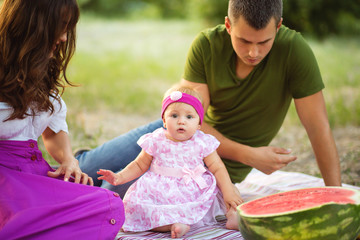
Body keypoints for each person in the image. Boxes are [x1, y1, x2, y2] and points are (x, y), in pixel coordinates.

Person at [76, 0, 341, 198]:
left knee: (108, 193)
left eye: (264, 42)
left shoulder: (294, 51)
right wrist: (251, 156)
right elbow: (193, 123)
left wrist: (337, 198)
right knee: (81, 170)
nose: (253, 52)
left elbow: (318, 128)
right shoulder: (206, 44)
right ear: (228, 25)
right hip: (172, 134)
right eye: (244, 40)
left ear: (279, 27)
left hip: (206, 168)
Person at [0, 0, 124, 239]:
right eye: (61, 26)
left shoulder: (41, 71)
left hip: (32, 176)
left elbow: (52, 132)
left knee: (108, 205)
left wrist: (69, 160)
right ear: (33, 25)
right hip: (6, 182)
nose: (65, 38)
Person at [97, 86, 243, 238]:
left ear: (199, 124)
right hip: (160, 192)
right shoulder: (156, 139)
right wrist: (119, 177)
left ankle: (232, 215)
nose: (181, 121)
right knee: (136, 208)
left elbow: (217, 167)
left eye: (189, 117)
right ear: (164, 121)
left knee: (230, 189)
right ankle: (173, 225)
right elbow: (139, 164)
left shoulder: (202, 141)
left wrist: (227, 193)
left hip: (195, 190)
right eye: (174, 115)